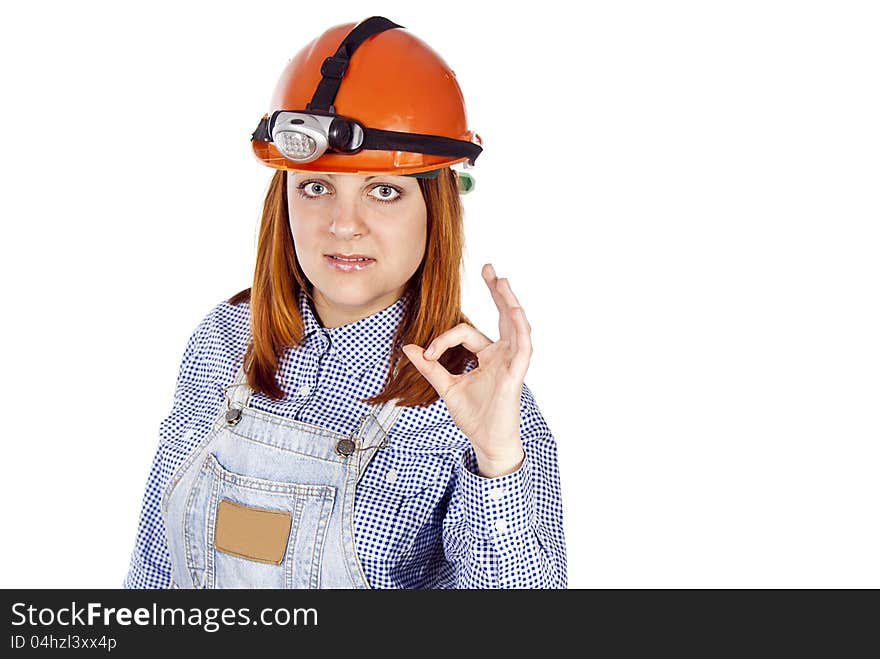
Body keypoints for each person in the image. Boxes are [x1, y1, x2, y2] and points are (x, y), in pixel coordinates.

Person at [123, 15, 566, 589]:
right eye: (316, 187)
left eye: (384, 191)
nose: (344, 225)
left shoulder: (480, 398)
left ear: (439, 209)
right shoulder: (224, 337)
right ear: (283, 200)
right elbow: (156, 570)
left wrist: (498, 461)